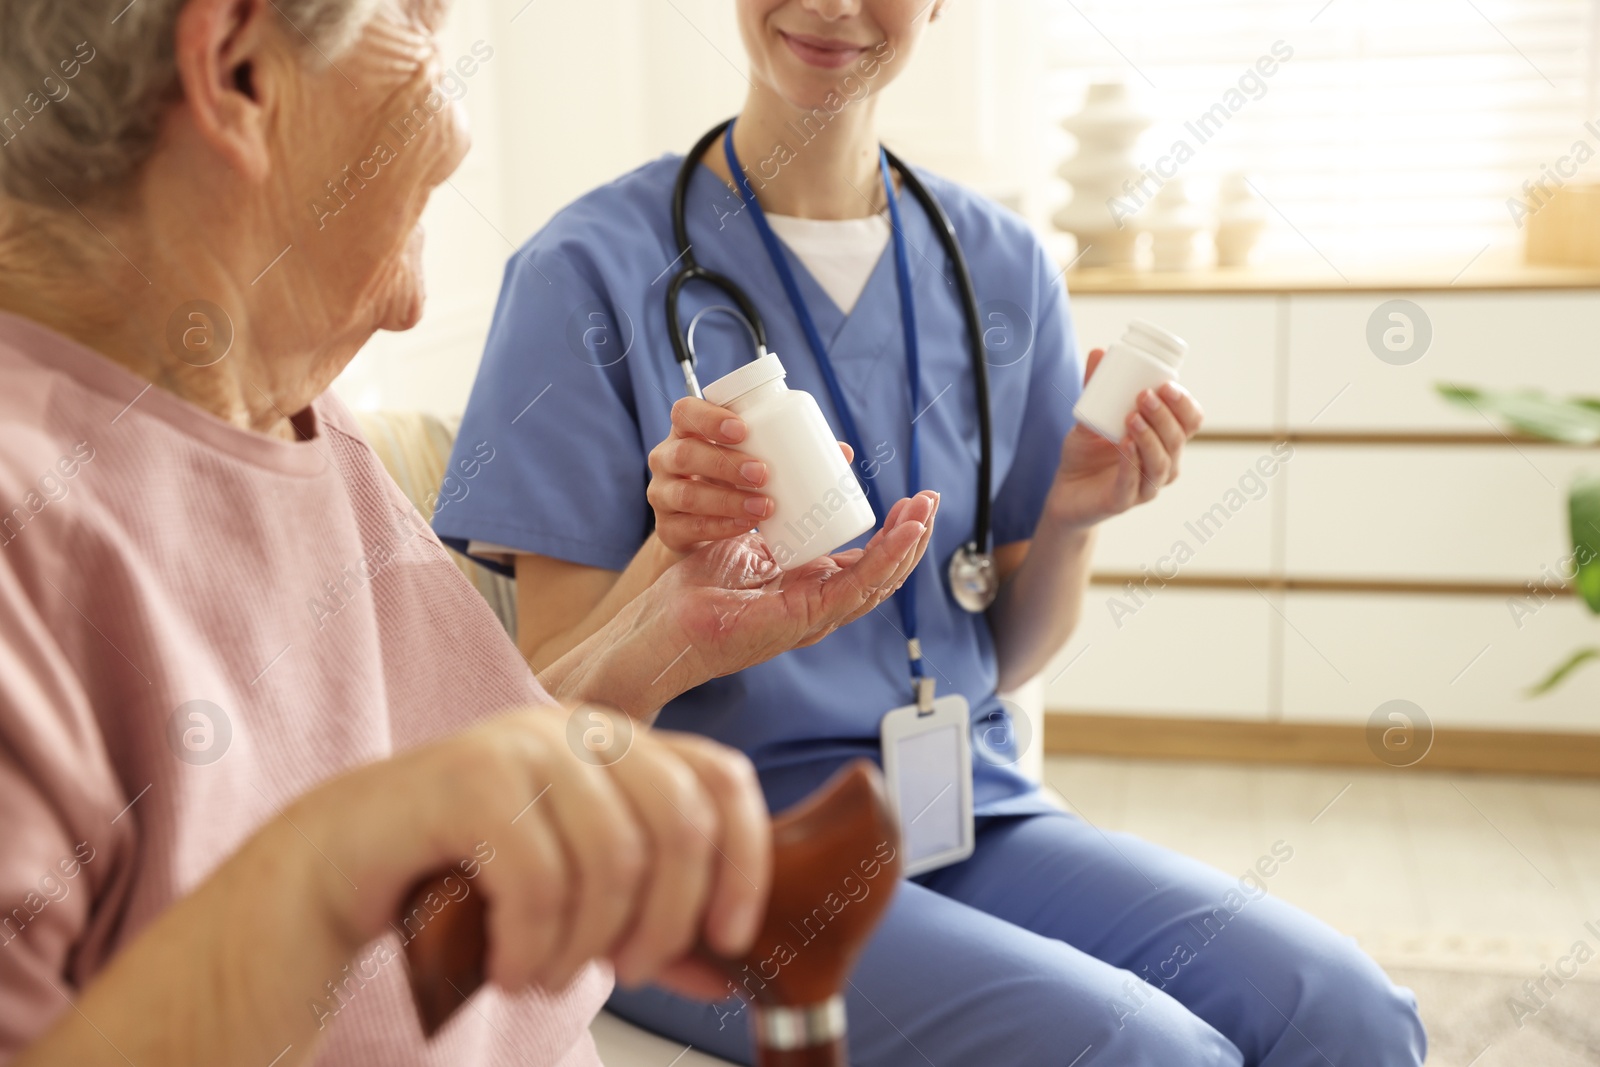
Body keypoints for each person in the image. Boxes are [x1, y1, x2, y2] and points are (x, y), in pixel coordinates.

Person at [434, 1, 1429, 1064]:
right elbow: (546, 698)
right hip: (700, 849)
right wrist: (680, 547)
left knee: (1346, 1008)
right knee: (1150, 1053)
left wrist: (1070, 519)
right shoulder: (582, 269)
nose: (832, 6)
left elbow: (1005, 654)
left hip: (965, 812)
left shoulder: (1001, 264)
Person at [0, 0, 940, 1063]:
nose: (455, 113)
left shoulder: (295, 413)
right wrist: (323, 873)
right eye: (414, 15)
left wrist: (660, 638)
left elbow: (439, 838)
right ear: (239, 72)